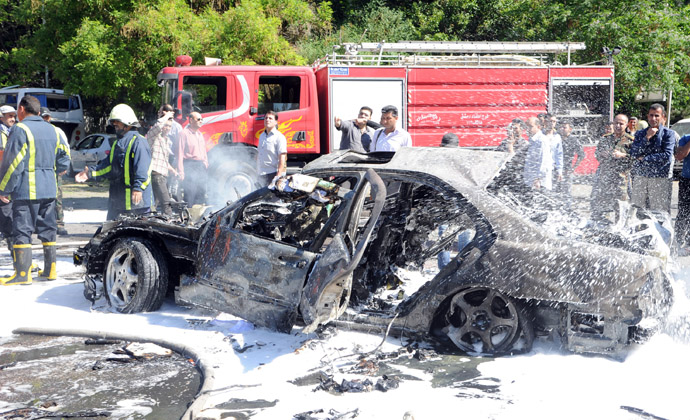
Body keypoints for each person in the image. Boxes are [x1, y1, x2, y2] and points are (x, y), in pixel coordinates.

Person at [0, 95, 70, 285]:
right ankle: (50, 271)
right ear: (38, 111)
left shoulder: (20, 129)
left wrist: (4, 189)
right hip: (49, 188)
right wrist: (60, 168)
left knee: (22, 229)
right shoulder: (53, 130)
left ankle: (22, 274)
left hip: (27, 189)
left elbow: (13, 163)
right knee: (49, 229)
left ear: (22, 109)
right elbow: (65, 154)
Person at [76, 104, 153, 220]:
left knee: (136, 236)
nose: (114, 124)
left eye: (117, 121)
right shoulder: (118, 143)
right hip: (118, 202)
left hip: (136, 205)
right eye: (113, 122)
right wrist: (90, 173)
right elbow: (109, 167)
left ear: (127, 123)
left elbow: (144, 169)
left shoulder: (139, 142)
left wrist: (138, 188)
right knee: (112, 234)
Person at [629, 103, 675, 213]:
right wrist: (647, 137)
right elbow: (635, 153)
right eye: (651, 115)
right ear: (647, 116)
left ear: (663, 117)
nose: (653, 118)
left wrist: (645, 159)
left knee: (658, 212)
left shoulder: (668, 134)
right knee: (637, 210)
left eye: (657, 115)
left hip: (659, 177)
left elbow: (667, 156)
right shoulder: (641, 134)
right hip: (640, 175)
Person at [590, 114, 634, 222]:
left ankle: (620, 230)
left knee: (621, 207)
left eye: (621, 124)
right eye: (616, 123)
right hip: (605, 179)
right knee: (602, 206)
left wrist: (623, 155)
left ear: (626, 125)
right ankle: (604, 229)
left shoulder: (631, 141)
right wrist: (602, 154)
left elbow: (636, 159)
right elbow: (597, 154)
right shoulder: (605, 139)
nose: (618, 126)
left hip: (621, 181)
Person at [40, 107, 69, 236]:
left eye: (47, 117)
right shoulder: (36, 131)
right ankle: (40, 223)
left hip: (54, 171)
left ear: (50, 118)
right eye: (43, 117)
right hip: (39, 171)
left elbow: (65, 150)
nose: (45, 119)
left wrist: (63, 166)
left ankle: (59, 224)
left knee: (57, 198)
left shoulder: (56, 131)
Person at [147, 110, 178, 216]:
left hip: (162, 175)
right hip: (156, 175)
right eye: (166, 126)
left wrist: (172, 169)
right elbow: (157, 126)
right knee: (166, 203)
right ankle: (169, 223)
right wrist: (167, 116)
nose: (167, 128)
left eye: (170, 126)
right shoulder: (153, 137)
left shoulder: (167, 140)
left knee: (153, 205)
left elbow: (163, 160)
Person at [523, 113, 563, 191]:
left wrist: (538, 178)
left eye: (530, 127)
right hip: (531, 180)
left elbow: (544, 162)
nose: (527, 129)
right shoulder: (533, 140)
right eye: (526, 127)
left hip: (540, 182)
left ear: (538, 127)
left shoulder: (541, 141)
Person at [177, 112, 208, 205]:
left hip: (200, 165)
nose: (201, 121)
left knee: (201, 192)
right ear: (191, 120)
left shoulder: (200, 134)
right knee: (190, 192)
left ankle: (199, 216)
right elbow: (179, 153)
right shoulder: (184, 133)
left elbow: (203, 150)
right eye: (198, 119)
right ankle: (189, 214)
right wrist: (181, 171)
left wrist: (205, 163)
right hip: (189, 165)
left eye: (202, 119)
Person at [555, 120, 584, 207]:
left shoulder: (573, 140)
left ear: (570, 129)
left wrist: (573, 168)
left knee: (566, 192)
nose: (562, 129)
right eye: (561, 127)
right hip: (555, 169)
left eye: (565, 127)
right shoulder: (556, 138)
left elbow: (581, 155)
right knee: (555, 191)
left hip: (567, 170)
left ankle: (567, 209)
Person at [0, 105, 17, 251]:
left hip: (9, 179)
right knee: (7, 217)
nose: (12, 118)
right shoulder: (1, 133)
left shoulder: (13, 131)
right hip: (3, 180)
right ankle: (19, 262)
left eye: (13, 115)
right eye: (9, 116)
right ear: (1, 117)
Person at [257, 110, 287, 186]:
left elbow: (282, 157)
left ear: (276, 122)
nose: (267, 120)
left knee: (272, 197)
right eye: (266, 118)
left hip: (273, 173)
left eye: (270, 118)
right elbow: (259, 154)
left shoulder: (279, 137)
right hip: (261, 173)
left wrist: (278, 175)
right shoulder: (261, 136)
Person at [674, 133, 690, 254]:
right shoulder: (685, 138)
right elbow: (680, 156)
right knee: (683, 212)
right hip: (687, 180)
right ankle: (677, 241)